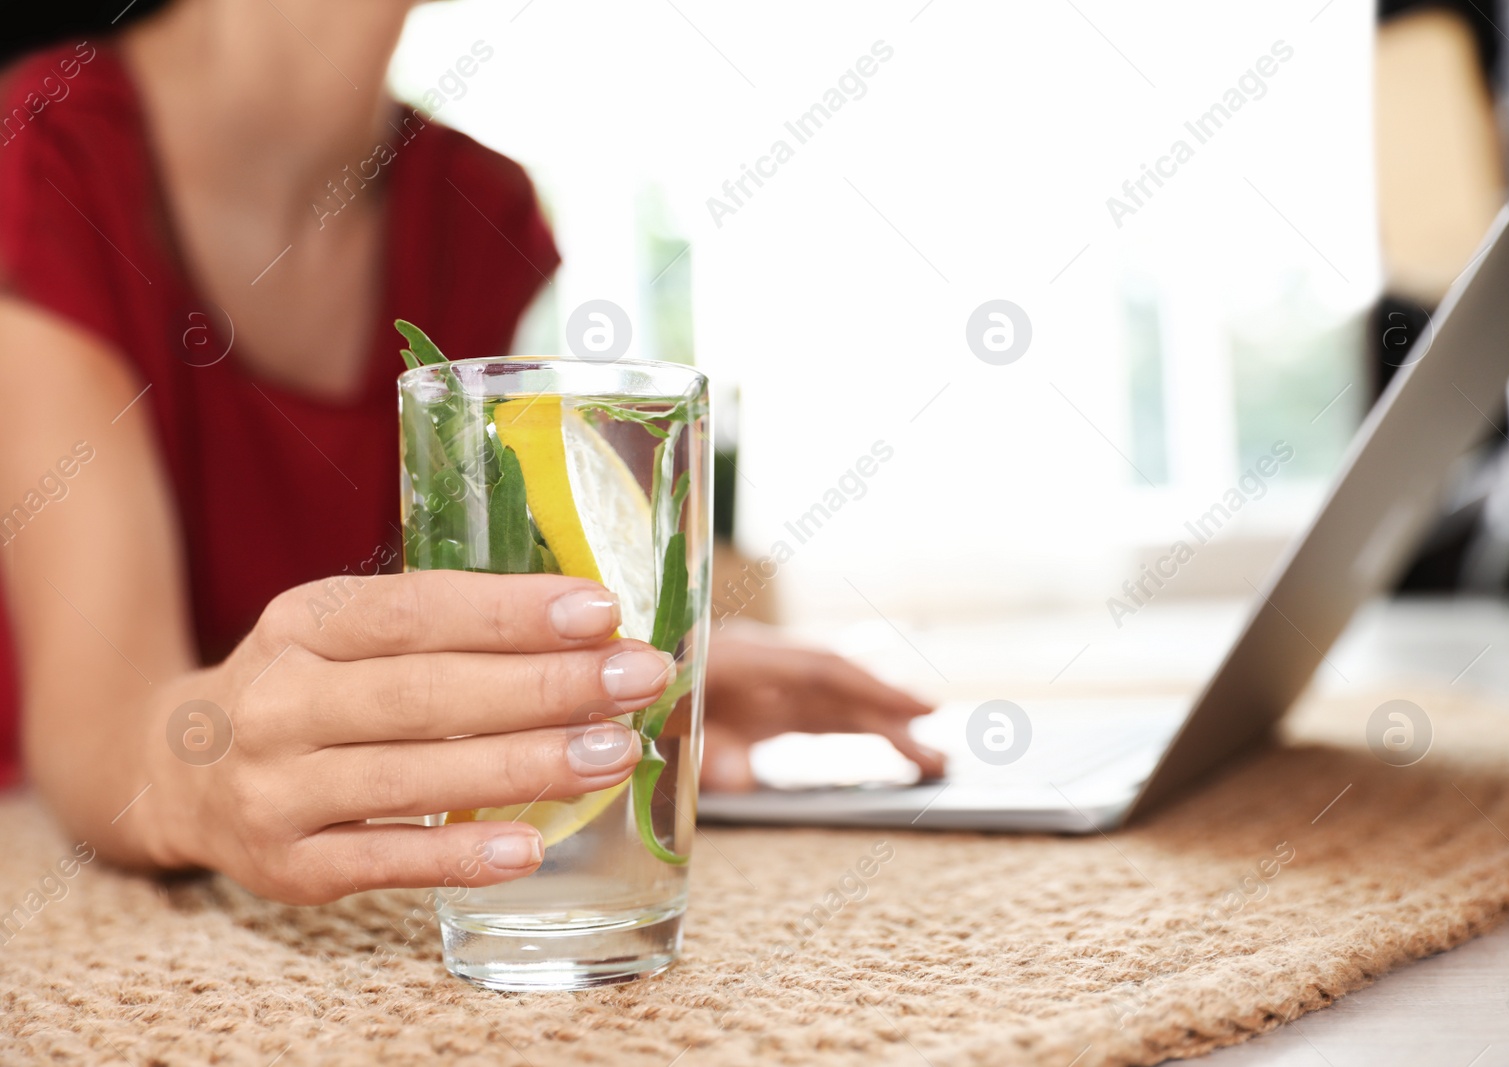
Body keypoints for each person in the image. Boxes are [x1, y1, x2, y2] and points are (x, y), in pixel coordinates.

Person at [0, 1, 942, 907]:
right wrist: (204, 774)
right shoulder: (41, 152)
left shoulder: (478, 207)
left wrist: (624, 680)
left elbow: (496, 574)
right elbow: (96, 723)